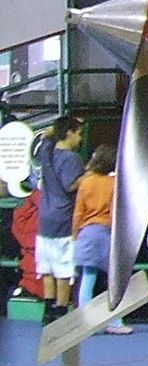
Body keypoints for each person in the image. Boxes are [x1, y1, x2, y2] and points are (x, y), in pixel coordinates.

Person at [72, 144, 130, 333]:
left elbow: (78, 213)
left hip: (86, 233)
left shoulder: (85, 183)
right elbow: (115, 213)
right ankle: (115, 323)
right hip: (106, 233)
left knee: (87, 279)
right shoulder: (114, 184)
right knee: (112, 281)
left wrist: (75, 236)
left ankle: (85, 323)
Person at [31, 115, 82, 314]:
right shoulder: (71, 158)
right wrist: (89, 175)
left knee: (47, 268)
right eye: (77, 133)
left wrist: (54, 129)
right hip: (63, 219)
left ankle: (48, 310)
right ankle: (60, 311)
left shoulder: (47, 153)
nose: (79, 139)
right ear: (68, 133)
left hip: (44, 219)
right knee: (63, 269)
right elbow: (70, 185)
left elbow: (45, 136)